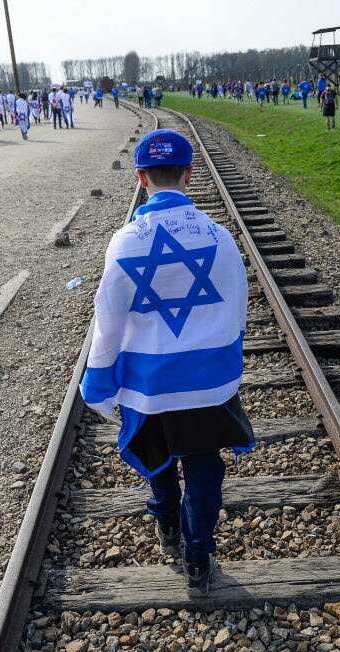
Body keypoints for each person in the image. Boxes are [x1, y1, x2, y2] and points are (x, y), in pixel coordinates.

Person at [80, 129, 254, 597]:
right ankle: (199, 556)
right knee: (204, 468)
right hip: (206, 386)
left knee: (157, 461)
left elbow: (108, 320)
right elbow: (237, 310)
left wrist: (98, 381)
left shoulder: (125, 243)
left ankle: (168, 529)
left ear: (141, 178)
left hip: (150, 387)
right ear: (189, 175)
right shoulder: (220, 238)